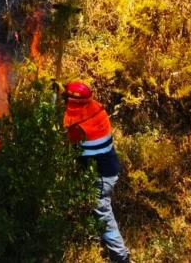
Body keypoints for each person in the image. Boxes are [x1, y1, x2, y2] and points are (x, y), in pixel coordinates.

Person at [62, 81, 132, 263]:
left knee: (104, 215)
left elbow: (62, 140)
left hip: (102, 176)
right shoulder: (97, 110)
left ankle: (121, 258)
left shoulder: (79, 126)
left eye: (65, 97)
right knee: (97, 206)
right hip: (110, 166)